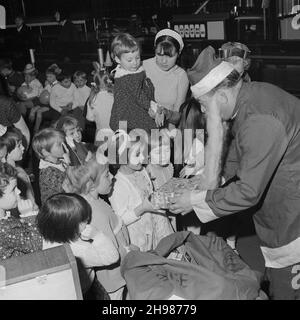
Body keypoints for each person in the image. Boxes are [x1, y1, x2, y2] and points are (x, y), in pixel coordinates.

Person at [169, 46, 300, 300]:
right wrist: (206, 181)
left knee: (288, 290)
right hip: (284, 211)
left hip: (294, 221)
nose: (204, 113)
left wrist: (195, 201)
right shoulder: (249, 99)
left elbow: (248, 191)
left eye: (204, 106)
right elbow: (236, 156)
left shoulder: (259, 119)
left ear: (221, 96)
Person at [63, 156, 134, 300]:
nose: (113, 176)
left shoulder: (92, 200)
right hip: (115, 277)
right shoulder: (95, 212)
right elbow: (111, 250)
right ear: (91, 184)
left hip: (116, 274)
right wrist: (130, 251)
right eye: (107, 174)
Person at [37, 193, 119, 297]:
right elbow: (112, 257)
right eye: (83, 220)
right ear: (68, 228)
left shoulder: (49, 233)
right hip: (84, 290)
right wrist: (97, 236)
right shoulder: (80, 251)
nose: (88, 220)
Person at [109, 131, 172, 251]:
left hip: (158, 227)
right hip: (141, 237)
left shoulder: (142, 170)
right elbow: (120, 221)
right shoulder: (118, 185)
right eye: (137, 154)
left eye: (143, 153)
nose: (143, 158)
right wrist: (142, 208)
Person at [109, 33, 162, 133]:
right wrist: (153, 107)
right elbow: (139, 96)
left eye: (137, 58)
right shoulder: (128, 78)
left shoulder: (129, 72)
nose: (135, 62)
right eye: (129, 60)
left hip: (127, 118)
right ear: (117, 59)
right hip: (129, 119)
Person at [143, 29, 189, 128]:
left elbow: (177, 117)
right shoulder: (143, 67)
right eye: (159, 54)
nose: (164, 61)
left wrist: (166, 113)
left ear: (178, 53)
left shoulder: (181, 76)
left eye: (170, 56)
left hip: (166, 133)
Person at [0, 162, 42, 261]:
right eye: (13, 189)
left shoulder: (4, 216)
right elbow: (37, 247)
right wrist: (29, 216)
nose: (18, 191)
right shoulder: (4, 229)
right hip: (20, 269)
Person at [1, 127, 37, 208]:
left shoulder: (18, 169)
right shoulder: (10, 175)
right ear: (7, 150)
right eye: (19, 145)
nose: (23, 147)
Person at [32, 128, 69, 204]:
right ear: (45, 152)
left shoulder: (61, 161)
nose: (65, 146)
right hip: (56, 209)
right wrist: (70, 166)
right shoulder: (48, 171)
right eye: (59, 145)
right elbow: (66, 190)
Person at [29, 63, 61, 133]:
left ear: (56, 76)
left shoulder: (58, 85)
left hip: (52, 105)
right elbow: (43, 94)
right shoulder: (47, 83)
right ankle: (29, 126)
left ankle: (36, 129)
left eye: (50, 77)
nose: (48, 78)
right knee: (33, 109)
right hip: (44, 102)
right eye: (47, 76)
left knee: (39, 111)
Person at [86, 62, 114, 141]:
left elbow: (90, 118)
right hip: (115, 132)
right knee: (114, 152)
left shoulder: (92, 99)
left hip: (101, 133)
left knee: (101, 152)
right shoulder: (115, 96)